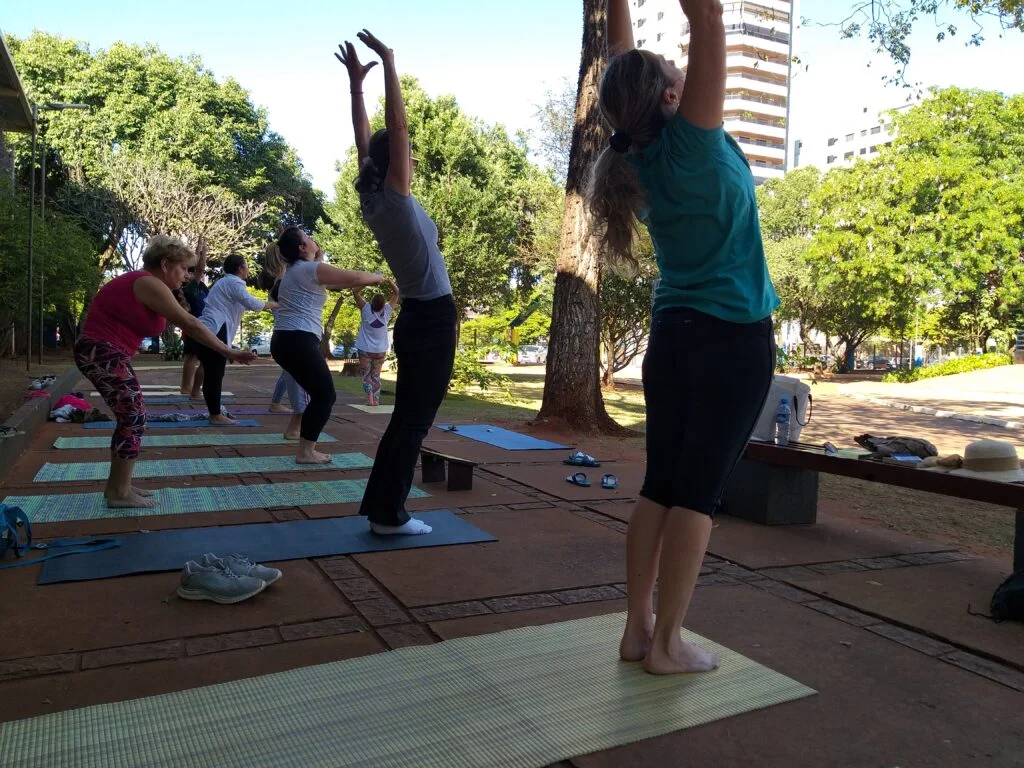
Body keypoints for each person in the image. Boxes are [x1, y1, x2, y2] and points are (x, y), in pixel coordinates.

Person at [586, 0, 778, 675]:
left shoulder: (638, 154)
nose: (682, 71)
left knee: (660, 487)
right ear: (671, 96)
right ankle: (668, 646)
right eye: (674, 71)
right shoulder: (692, 144)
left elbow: (623, 65)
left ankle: (637, 631)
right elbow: (708, 19)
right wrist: (701, 23)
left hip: (672, 338)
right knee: (696, 494)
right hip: (732, 342)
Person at [339, 31, 457, 536]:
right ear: (396, 165)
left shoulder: (374, 198)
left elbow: (364, 138)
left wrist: (356, 86)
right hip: (431, 317)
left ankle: (383, 511)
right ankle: (390, 515)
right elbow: (397, 127)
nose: (412, 159)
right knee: (413, 422)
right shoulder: (392, 195)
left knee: (405, 419)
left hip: (416, 317)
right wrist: (389, 62)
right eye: (406, 156)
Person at [74, 235, 255, 508]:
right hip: (101, 351)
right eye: (183, 268)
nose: (186, 275)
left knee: (132, 417)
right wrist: (228, 351)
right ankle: (118, 492)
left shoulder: (151, 285)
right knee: (133, 417)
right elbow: (191, 324)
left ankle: (119, 486)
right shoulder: (148, 282)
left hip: (105, 352)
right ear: (165, 264)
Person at [272, 228, 383, 463]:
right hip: (298, 340)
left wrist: (317, 254)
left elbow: (333, 281)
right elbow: (354, 278)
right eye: (308, 237)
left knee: (318, 394)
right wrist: (377, 276)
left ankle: (302, 442)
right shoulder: (309, 269)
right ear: (302, 247)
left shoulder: (297, 270)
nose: (313, 239)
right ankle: (305, 452)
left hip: (288, 340)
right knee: (325, 396)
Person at [194, 254, 275, 425]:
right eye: (246, 266)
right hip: (215, 329)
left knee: (212, 372)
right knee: (214, 373)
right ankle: (215, 415)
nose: (248, 269)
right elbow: (252, 303)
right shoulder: (234, 282)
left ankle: (214, 411)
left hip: (211, 328)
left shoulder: (224, 282)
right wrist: (275, 304)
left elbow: (244, 304)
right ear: (240, 268)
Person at [352, 279, 398, 406]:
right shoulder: (387, 311)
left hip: (364, 350)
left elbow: (355, 292)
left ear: (372, 303)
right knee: (376, 376)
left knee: (366, 376)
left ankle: (370, 399)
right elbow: (397, 293)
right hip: (380, 351)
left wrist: (369, 282)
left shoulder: (365, 308)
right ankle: (376, 400)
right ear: (383, 304)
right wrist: (389, 281)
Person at [179, 241, 209, 397]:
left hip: (200, 323)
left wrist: (199, 250)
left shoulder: (200, 286)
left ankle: (188, 386)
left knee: (194, 356)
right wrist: (204, 251)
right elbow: (199, 268)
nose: (191, 275)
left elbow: (197, 268)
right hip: (193, 324)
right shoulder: (189, 288)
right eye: (188, 273)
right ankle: (186, 386)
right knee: (192, 356)